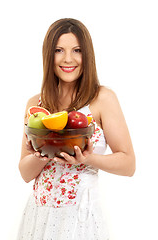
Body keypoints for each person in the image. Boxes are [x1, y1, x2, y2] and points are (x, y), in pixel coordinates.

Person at [17, 18, 135, 240]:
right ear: (48, 55)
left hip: (81, 220)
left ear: (87, 55)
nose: (68, 59)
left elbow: (128, 164)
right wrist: (40, 154)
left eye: (77, 50)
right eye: (59, 50)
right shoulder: (37, 104)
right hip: (38, 217)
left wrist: (86, 158)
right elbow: (25, 173)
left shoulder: (102, 99)